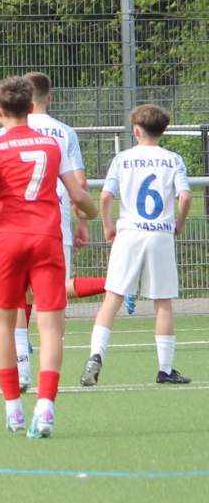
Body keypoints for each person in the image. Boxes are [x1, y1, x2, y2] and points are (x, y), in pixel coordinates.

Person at [0, 75, 98, 438]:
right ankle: (45, 409)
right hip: (47, 238)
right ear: (31, 108)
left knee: (4, 322)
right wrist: (91, 215)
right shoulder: (52, 143)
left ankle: (13, 409)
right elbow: (78, 195)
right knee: (51, 326)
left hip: (9, 239)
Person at [81, 104, 192, 388]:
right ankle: (165, 369)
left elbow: (106, 196)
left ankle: (95, 355)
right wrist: (178, 222)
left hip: (128, 232)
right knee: (163, 302)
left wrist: (108, 225)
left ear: (136, 131)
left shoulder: (123, 158)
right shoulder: (173, 159)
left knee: (113, 298)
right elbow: (185, 196)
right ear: (162, 131)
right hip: (160, 234)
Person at [21, 72, 111, 388]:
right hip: (54, 220)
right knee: (54, 294)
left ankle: (21, 365)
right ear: (49, 99)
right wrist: (84, 221)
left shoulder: (10, 130)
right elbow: (80, 182)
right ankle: (50, 368)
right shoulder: (64, 132)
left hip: (17, 221)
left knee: (19, 293)